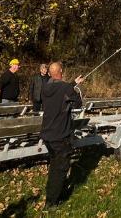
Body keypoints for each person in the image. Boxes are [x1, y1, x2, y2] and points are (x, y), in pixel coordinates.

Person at [41, 61, 84, 208]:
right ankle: (52, 202)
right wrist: (76, 89)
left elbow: (60, 90)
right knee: (60, 169)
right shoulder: (65, 88)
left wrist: (73, 83)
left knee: (55, 166)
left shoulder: (46, 87)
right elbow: (78, 103)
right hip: (60, 136)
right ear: (61, 72)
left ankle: (52, 193)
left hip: (48, 135)